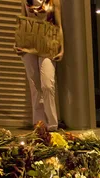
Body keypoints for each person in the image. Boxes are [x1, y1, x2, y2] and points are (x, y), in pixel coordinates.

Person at [15, 0, 64, 131]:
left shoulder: (54, 1)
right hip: (29, 45)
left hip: (48, 45)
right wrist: (18, 43)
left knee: (47, 84)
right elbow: (23, 23)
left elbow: (58, 26)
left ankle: (52, 125)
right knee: (35, 86)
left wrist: (61, 48)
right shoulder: (26, 1)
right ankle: (39, 124)